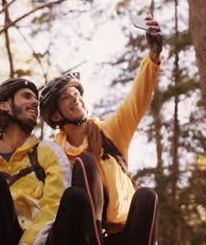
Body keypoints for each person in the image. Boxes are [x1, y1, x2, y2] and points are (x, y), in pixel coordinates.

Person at [39, 16, 163, 245]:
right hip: (82, 234)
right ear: (56, 115)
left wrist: (153, 57)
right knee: (85, 163)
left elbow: (138, 98)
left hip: (123, 232)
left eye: (77, 95)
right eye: (66, 97)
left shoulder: (109, 132)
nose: (75, 100)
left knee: (147, 196)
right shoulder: (51, 153)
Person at [0, 78, 73, 245]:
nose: (35, 102)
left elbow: (55, 204)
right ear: (4, 105)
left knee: (75, 198)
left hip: (46, 240)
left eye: (36, 99)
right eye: (27, 96)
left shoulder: (48, 151)